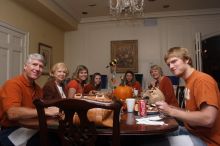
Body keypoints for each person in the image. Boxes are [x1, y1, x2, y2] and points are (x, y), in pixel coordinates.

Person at [154, 47, 220, 146]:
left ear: (187, 59)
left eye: (174, 61)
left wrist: (171, 111)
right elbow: (192, 113)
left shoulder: (202, 80)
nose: (171, 66)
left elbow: (208, 119)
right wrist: (171, 108)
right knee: (153, 136)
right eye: (168, 64)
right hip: (191, 132)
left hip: (206, 141)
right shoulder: (189, 81)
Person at [0, 53, 60, 146]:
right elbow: (12, 113)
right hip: (10, 131)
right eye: (34, 64)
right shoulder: (12, 84)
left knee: (58, 136)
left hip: (30, 127)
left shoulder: (39, 89)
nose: (37, 69)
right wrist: (45, 112)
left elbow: (37, 115)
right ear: (25, 66)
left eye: (41, 66)